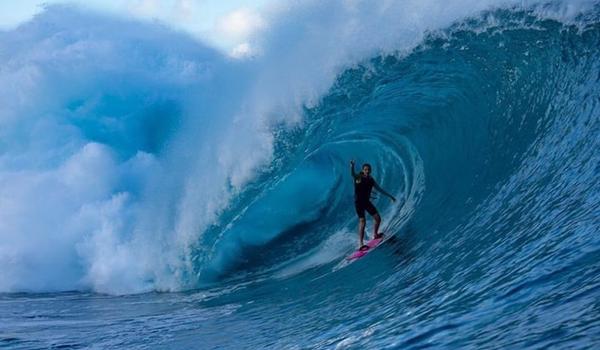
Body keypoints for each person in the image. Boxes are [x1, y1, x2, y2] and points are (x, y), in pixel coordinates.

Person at [350, 160, 396, 251]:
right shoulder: (359, 177)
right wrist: (352, 166)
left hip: (366, 202)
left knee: (378, 218)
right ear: (363, 170)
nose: (367, 171)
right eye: (366, 169)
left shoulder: (371, 180)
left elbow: (379, 189)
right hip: (358, 202)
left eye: (369, 170)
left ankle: (375, 234)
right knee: (362, 221)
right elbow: (353, 174)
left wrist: (390, 196)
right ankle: (361, 244)